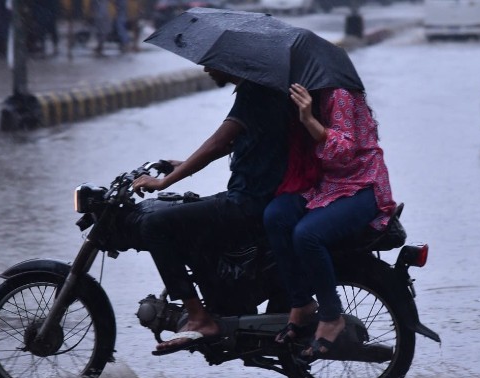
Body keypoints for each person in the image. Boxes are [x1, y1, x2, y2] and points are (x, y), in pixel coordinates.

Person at [132, 67, 290, 355]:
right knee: (190, 216)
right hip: (258, 199)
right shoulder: (264, 89)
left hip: (246, 203)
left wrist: (163, 182)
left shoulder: (253, 91)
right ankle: (221, 303)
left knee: (154, 225)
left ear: (231, 60)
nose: (206, 67)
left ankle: (199, 317)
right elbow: (229, 144)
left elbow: (217, 142)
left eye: (210, 62)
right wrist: (183, 166)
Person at [265, 83, 396, 359]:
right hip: (325, 185)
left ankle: (331, 315)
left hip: (362, 184)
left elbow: (343, 150)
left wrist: (308, 119)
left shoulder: (339, 94)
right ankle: (301, 303)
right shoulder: (308, 93)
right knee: (276, 217)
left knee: (307, 235)